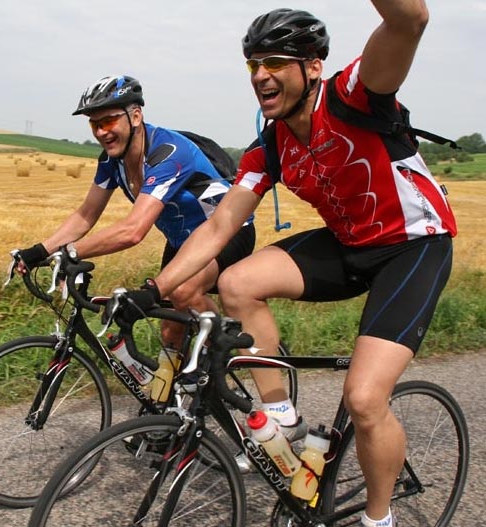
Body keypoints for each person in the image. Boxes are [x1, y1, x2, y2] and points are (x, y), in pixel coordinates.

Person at [122, 4, 455, 526]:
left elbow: (409, 20)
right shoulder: (270, 146)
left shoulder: (354, 96)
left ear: (313, 66)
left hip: (413, 246)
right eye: (254, 63)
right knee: (237, 281)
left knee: (365, 401)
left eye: (276, 61)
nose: (260, 75)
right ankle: (282, 419)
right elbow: (217, 227)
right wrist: (153, 289)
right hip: (348, 243)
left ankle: (378, 518)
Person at [16, 74, 260, 401]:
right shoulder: (111, 162)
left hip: (228, 232)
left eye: (109, 120)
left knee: (184, 290)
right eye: (94, 124)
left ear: (135, 116)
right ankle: (166, 413)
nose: (102, 131)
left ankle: (220, 353)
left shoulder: (167, 151)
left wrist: (69, 252)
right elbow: (85, 215)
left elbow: (134, 230)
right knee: (170, 329)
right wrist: (38, 252)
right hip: (182, 244)